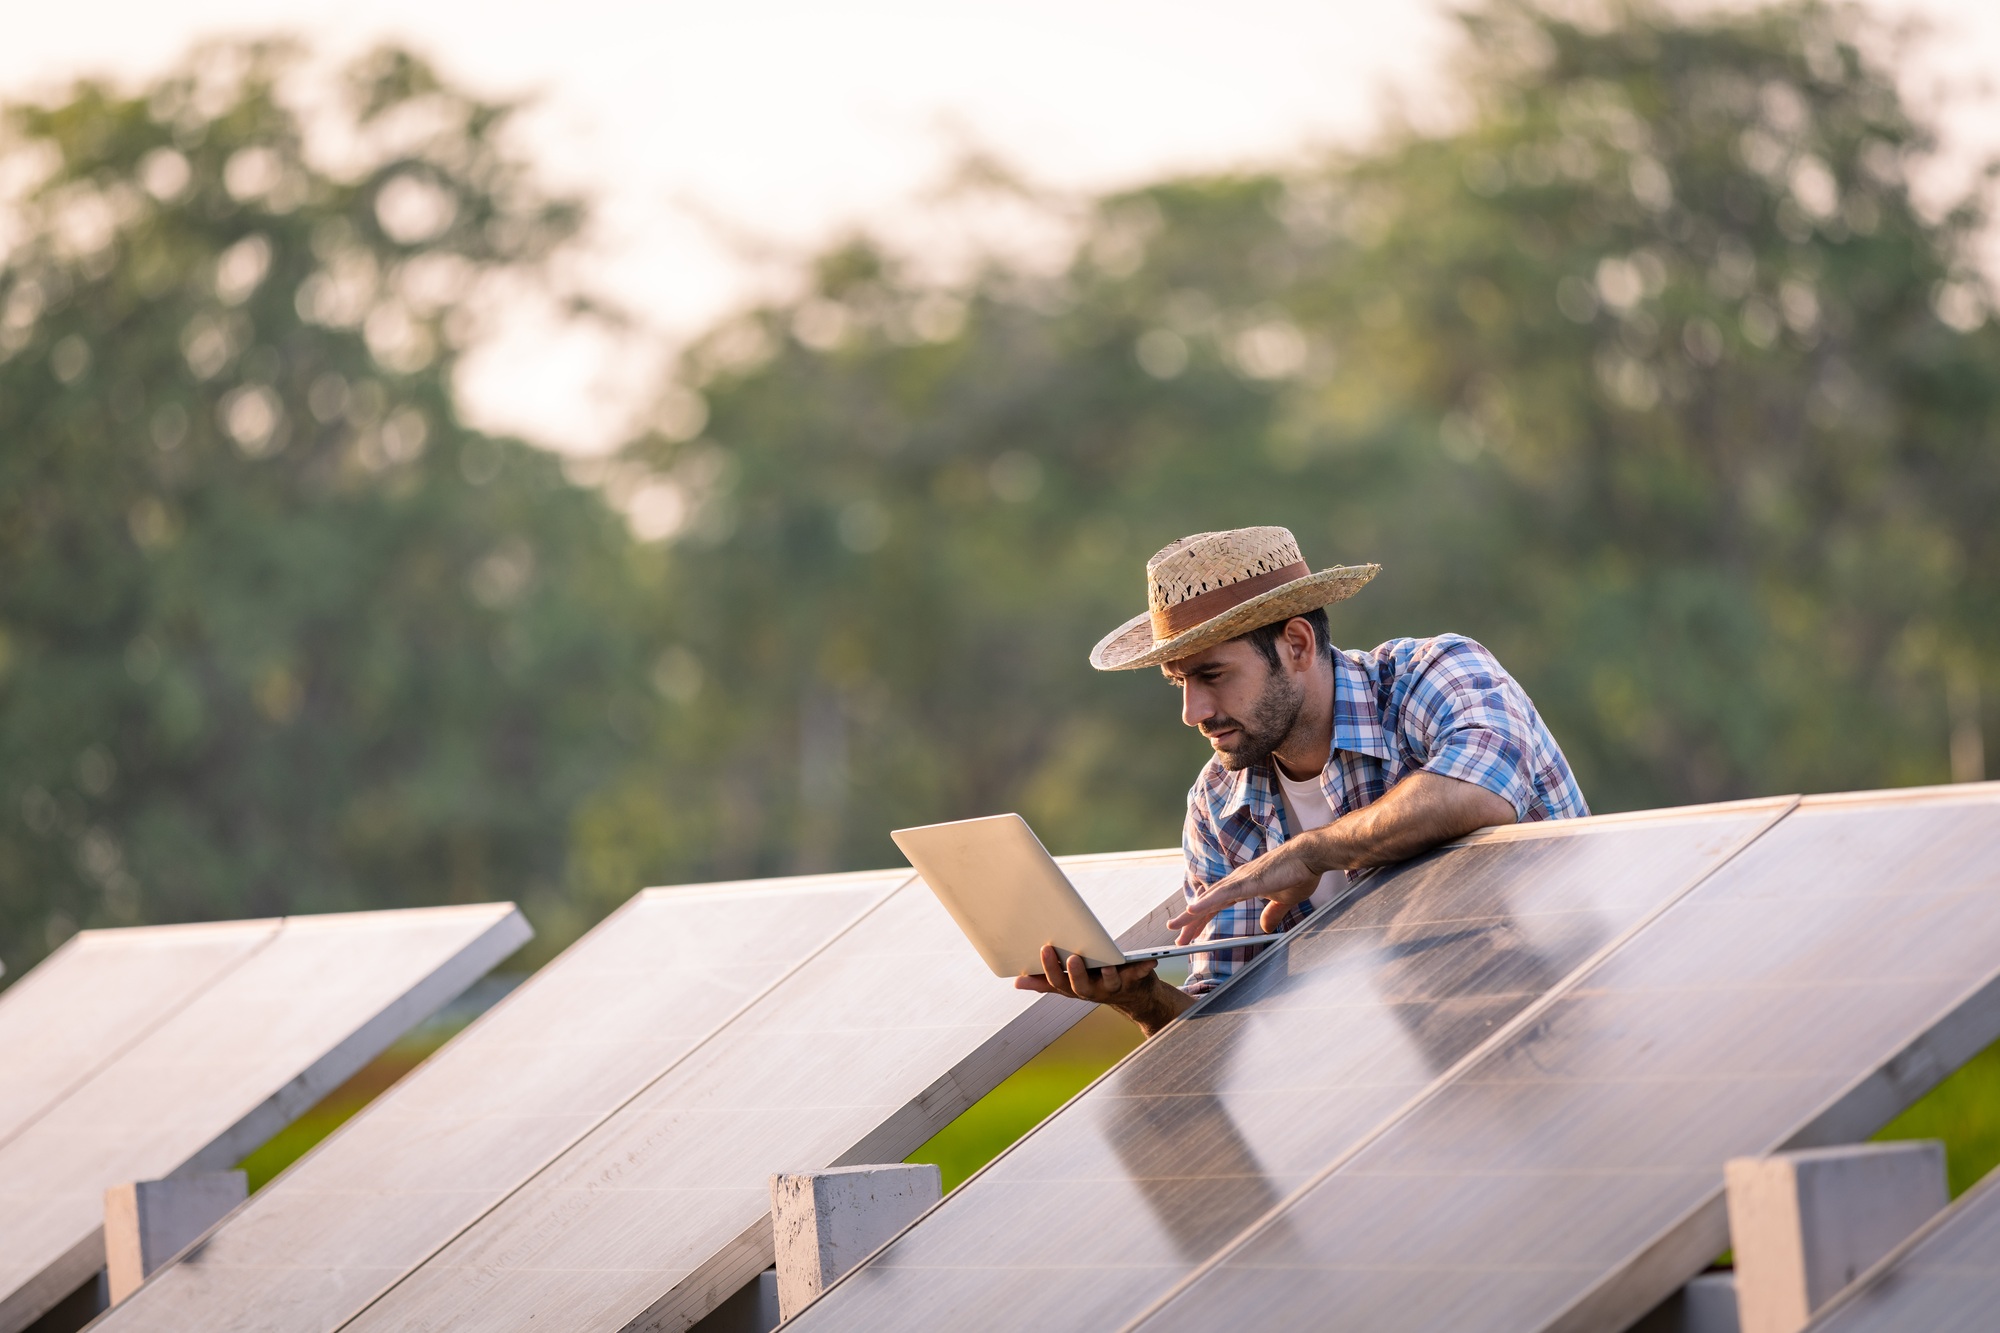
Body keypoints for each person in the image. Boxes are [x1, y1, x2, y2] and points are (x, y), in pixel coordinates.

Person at [1017, 526, 1589, 1035]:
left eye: (1212, 675)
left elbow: (1479, 791)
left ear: (1297, 645)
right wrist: (1143, 1000)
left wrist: (1309, 853)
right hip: (1395, 1088)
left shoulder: (1436, 674)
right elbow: (1221, 1032)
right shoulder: (1218, 804)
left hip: (1572, 1025)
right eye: (1179, 683)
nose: (1193, 711)